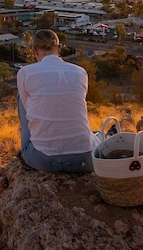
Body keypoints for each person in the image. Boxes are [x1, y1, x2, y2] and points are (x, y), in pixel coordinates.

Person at [17, 29, 101, 173]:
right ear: (60, 48)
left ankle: (41, 143)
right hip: (84, 161)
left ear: (34, 51)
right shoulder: (80, 72)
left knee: (22, 96)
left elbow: (28, 110)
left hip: (43, 160)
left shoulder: (25, 73)